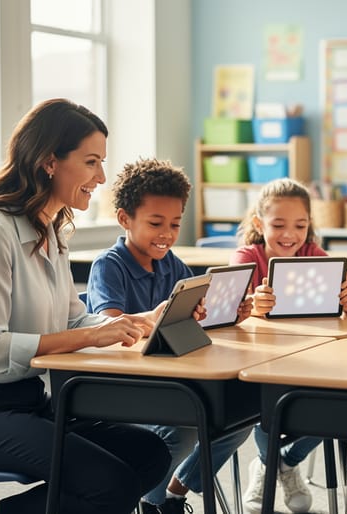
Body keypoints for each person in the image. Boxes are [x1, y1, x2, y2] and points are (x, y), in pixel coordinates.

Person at [0, 99, 170, 514]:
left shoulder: (51, 230)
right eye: (91, 162)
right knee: (110, 484)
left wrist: (137, 321)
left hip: (27, 403)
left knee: (150, 453)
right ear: (49, 162)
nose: (101, 177)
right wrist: (92, 335)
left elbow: (72, 317)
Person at [85, 157, 252, 514]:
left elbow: (191, 322)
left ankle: (171, 493)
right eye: (156, 223)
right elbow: (108, 327)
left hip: (171, 380)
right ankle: (152, 503)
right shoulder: (109, 266)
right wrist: (150, 320)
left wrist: (225, 315)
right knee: (185, 430)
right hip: (123, 388)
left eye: (175, 224)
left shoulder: (173, 265)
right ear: (124, 219)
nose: (167, 233)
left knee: (239, 418)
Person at [230, 177, 347, 514]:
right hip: (262, 361)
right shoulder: (247, 256)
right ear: (260, 224)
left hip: (311, 357)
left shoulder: (314, 255)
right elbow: (230, 307)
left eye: (300, 225)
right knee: (263, 408)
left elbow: (343, 307)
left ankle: (279, 462)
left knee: (341, 407)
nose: (289, 234)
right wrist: (250, 302)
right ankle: (270, 463)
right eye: (278, 225)